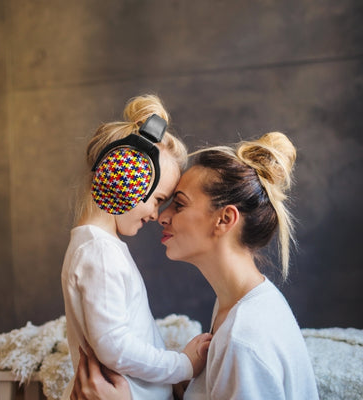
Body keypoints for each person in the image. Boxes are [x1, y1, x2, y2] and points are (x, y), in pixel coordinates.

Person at [69, 131, 319, 400]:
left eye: (179, 204)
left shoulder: (245, 340)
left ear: (224, 220)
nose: (161, 216)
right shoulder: (234, 306)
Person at [61, 94, 212, 400]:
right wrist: (182, 365)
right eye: (158, 200)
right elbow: (114, 346)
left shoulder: (97, 247)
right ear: (122, 178)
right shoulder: (99, 253)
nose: (157, 215)